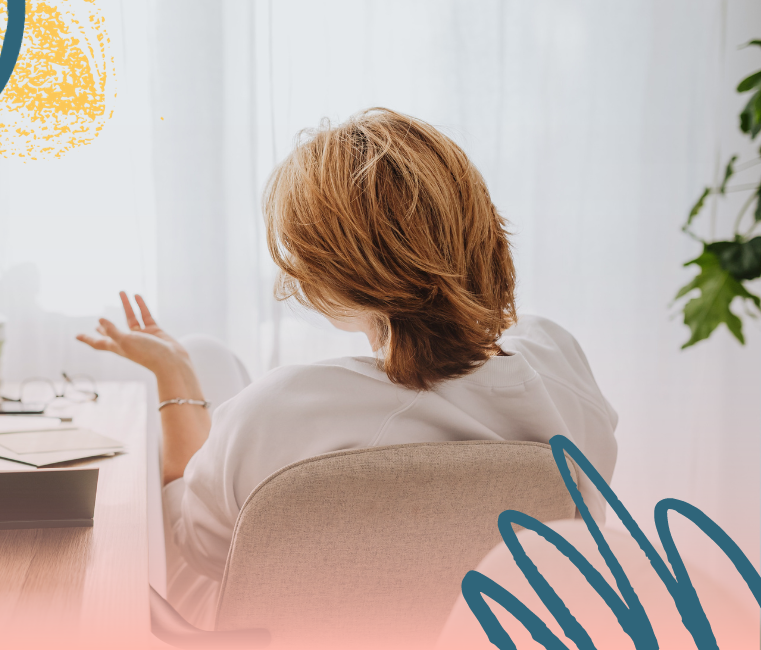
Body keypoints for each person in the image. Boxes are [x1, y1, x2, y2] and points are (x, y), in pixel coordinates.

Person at [76, 108, 618, 629]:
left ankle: (179, 373)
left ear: (330, 276)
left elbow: (192, 545)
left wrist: (174, 380)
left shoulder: (277, 410)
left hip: (266, 625)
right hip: (479, 621)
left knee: (195, 373)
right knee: (207, 355)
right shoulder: (556, 356)